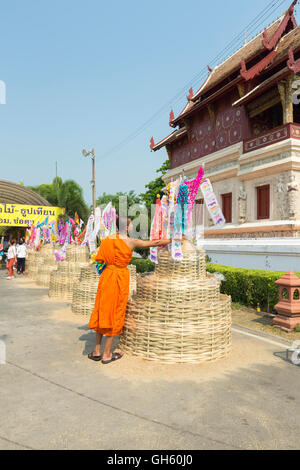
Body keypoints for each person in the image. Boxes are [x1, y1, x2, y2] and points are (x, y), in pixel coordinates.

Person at [88, 217, 171, 364]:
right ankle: (107, 354)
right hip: (119, 278)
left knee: (102, 310)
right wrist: (172, 239)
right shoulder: (131, 241)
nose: (132, 227)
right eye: (131, 225)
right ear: (126, 228)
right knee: (115, 312)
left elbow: (100, 260)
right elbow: (154, 243)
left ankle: (97, 351)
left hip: (106, 277)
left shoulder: (107, 239)